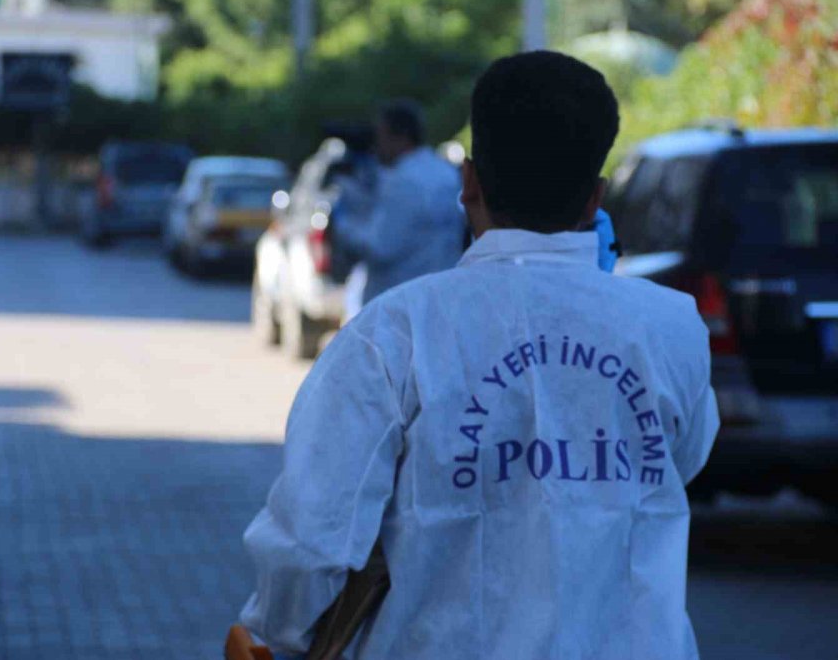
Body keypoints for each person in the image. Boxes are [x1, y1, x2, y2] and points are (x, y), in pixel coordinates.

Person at [239, 51, 720, 659]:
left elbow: (312, 545)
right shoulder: (672, 327)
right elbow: (682, 461)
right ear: (596, 197)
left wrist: (275, 636)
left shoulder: (391, 335)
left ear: (469, 183)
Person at [330, 100, 464, 306]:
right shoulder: (445, 172)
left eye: (380, 136)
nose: (376, 145)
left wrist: (343, 224)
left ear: (400, 138)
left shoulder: (402, 180)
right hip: (440, 296)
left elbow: (381, 247)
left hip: (399, 302)